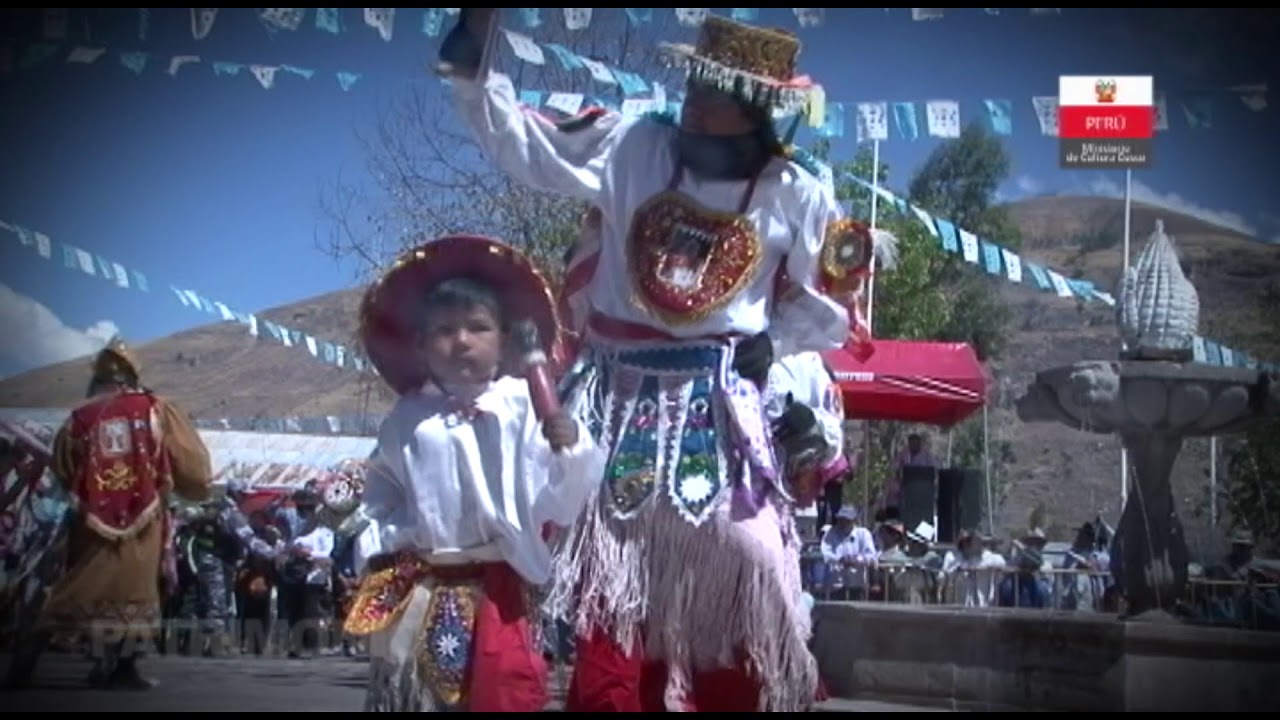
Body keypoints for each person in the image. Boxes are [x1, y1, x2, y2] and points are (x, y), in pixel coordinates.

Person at [438, 10, 886, 712]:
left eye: (717, 92)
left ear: (757, 108)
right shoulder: (631, 145)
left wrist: (778, 341)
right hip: (617, 395)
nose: (695, 101)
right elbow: (525, 145)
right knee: (613, 580)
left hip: (721, 402)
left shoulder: (795, 190)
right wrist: (475, 67)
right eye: (695, 83)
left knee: (746, 559)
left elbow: (832, 302)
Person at [345, 233, 603, 712]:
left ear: (505, 340)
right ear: (421, 345)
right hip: (423, 582)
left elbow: (563, 499)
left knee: (500, 689)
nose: (461, 340)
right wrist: (382, 542)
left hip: (500, 587)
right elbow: (382, 495)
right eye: (444, 330)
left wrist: (570, 450)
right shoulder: (408, 418)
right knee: (416, 692)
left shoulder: (523, 406)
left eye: (477, 327)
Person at [5, 337, 212, 689]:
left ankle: (37, 656)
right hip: (144, 521)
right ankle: (118, 667)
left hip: (91, 523)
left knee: (78, 586)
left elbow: (64, 468)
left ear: (99, 380)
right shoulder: (157, 410)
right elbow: (191, 464)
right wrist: (193, 487)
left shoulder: (80, 418)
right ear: (132, 377)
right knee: (135, 593)